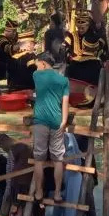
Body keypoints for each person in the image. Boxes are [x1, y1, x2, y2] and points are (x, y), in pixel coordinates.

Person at [30, 52, 69, 202]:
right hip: (57, 121)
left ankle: (39, 192)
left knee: (39, 159)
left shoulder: (36, 76)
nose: (36, 67)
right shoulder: (63, 80)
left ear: (44, 64)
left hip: (40, 121)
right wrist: (64, 121)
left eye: (37, 64)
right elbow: (64, 102)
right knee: (58, 159)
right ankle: (58, 193)